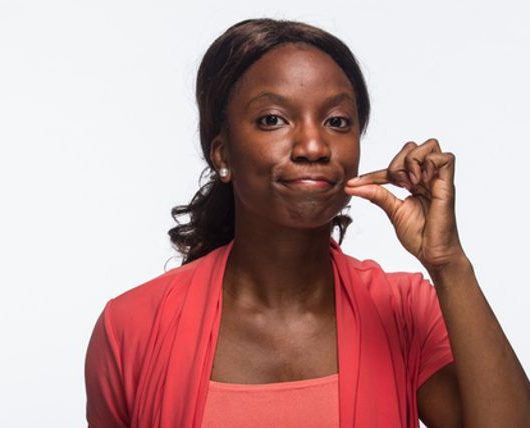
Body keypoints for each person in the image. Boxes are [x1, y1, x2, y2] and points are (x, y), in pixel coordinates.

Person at [84, 18, 530, 427]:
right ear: (222, 154)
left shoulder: (404, 310)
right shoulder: (132, 327)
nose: (314, 146)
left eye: (337, 121)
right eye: (273, 120)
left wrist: (448, 263)